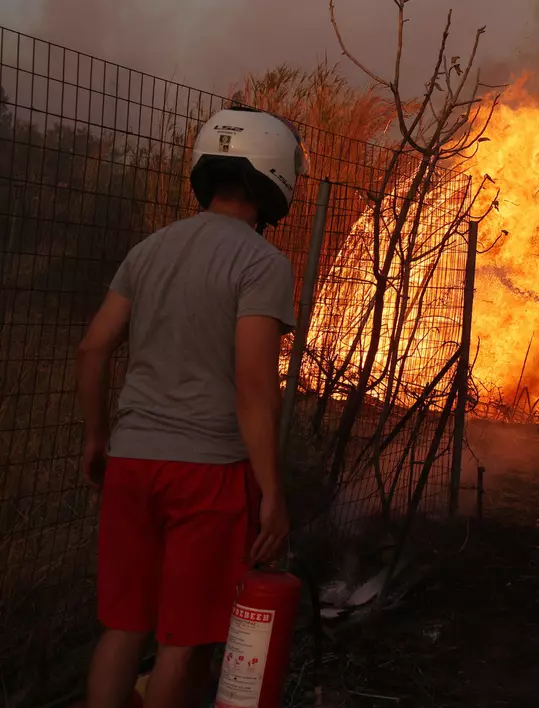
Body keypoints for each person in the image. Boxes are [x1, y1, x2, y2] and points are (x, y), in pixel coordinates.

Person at [76, 106, 306, 708]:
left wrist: (97, 438)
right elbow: (254, 387)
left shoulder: (149, 249)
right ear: (277, 177)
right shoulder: (262, 264)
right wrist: (273, 493)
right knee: (185, 638)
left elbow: (93, 348)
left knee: (125, 626)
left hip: (130, 464)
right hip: (208, 474)